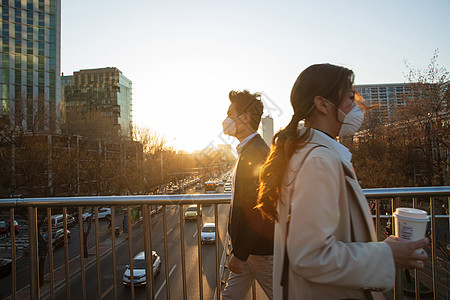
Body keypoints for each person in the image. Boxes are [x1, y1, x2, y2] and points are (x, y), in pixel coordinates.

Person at [256, 64, 429, 300]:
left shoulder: (311, 153)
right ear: (323, 104)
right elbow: (311, 255)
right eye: (350, 97)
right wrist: (386, 254)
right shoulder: (319, 160)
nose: (357, 107)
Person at [222, 90, 274, 300]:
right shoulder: (249, 151)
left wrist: (240, 254)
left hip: (260, 252)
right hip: (249, 252)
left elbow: (257, 208)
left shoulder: (257, 154)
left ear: (243, 118)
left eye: (229, 113)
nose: (225, 119)